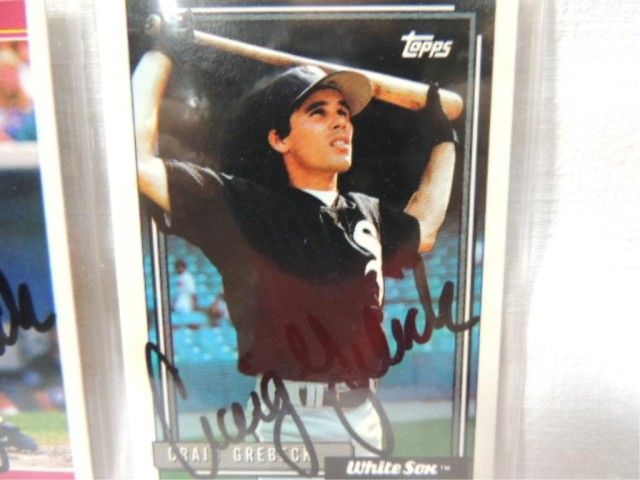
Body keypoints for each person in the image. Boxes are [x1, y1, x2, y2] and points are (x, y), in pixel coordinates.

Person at [132, 31, 456, 459]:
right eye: (318, 112)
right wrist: (162, 51)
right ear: (279, 139)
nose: (340, 122)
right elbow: (135, 160)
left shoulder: (367, 213)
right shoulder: (246, 208)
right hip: (292, 422)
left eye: (343, 112)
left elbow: (425, 228)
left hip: (367, 418)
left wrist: (443, 140)